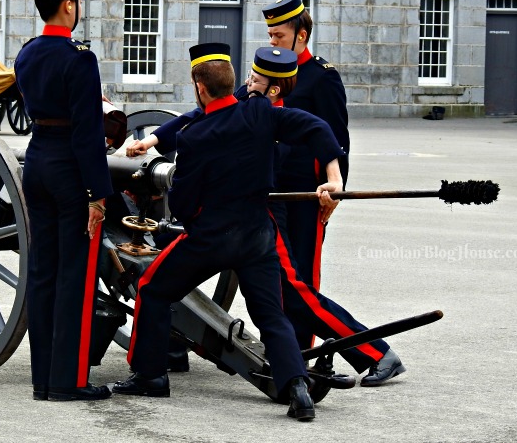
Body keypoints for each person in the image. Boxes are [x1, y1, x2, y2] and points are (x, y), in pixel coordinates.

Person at [127, 35, 403, 386]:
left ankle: (373, 352)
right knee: (284, 296)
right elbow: (203, 112)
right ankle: (306, 365)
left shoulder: (319, 80)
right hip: (261, 205)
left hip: (294, 200)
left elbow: (331, 133)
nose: (247, 83)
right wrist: (152, 140)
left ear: (274, 88)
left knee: (293, 291)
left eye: (255, 80)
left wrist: (336, 182)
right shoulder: (254, 98)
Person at [113, 43, 346, 422]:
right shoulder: (260, 113)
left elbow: (185, 204)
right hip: (257, 233)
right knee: (271, 314)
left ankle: (150, 375)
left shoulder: (195, 136)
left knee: (152, 289)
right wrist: (333, 177)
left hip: (210, 237)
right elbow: (316, 127)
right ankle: (298, 388)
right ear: (234, 83)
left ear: (200, 88)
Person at [261, 0, 403, 386]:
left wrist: (337, 190)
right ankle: (295, 355)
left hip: (310, 192)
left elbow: (338, 139)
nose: (273, 41)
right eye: (269, 34)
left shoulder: (322, 77)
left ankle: (347, 353)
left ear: (301, 35)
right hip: (274, 190)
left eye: (280, 34)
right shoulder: (272, 74)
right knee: (284, 280)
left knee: (302, 280)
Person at [14, 0, 113, 402]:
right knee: (75, 275)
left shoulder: (27, 53)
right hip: (71, 172)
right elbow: (89, 134)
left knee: (42, 273)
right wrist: (98, 193)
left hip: (37, 162)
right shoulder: (80, 59)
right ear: (69, 6)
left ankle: (41, 380)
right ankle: (68, 381)